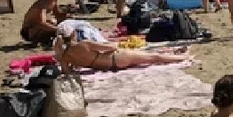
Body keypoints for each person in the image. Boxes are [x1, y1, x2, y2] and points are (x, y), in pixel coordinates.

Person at [53, 23, 191, 73]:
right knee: (154, 57)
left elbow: (67, 71)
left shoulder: (64, 56)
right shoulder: (85, 44)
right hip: (117, 58)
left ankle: (175, 53)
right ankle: (182, 57)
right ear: (73, 33)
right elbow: (111, 47)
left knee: (150, 56)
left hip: (106, 66)